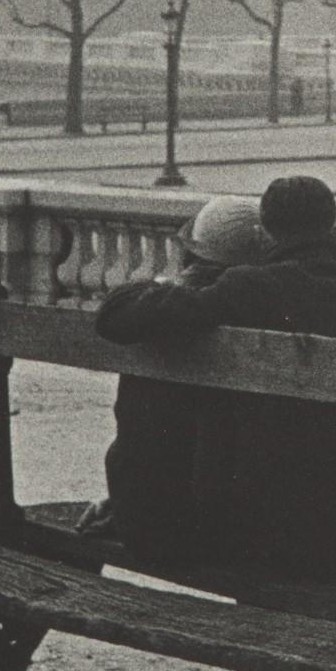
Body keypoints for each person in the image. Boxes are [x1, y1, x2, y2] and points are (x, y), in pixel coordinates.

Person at [92, 175, 336, 583]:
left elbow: (120, 319)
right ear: (334, 227)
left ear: (266, 233)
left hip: (271, 531)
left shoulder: (246, 290)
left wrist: (157, 287)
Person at [78, 195, 267, 560]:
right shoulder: (249, 314)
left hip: (144, 519)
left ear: (191, 254)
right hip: (222, 532)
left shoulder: (154, 313)